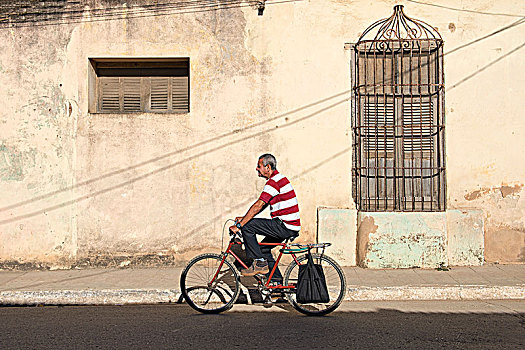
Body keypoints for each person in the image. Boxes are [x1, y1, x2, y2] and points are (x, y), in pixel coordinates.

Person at [229, 154, 301, 282]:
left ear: (268, 167)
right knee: (263, 249)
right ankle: (276, 283)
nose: (257, 169)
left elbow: (258, 205)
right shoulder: (279, 179)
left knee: (248, 226)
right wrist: (244, 217)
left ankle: (259, 263)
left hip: (284, 225)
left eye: (259, 166)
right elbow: (263, 205)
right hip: (287, 225)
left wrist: (240, 225)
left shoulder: (274, 182)